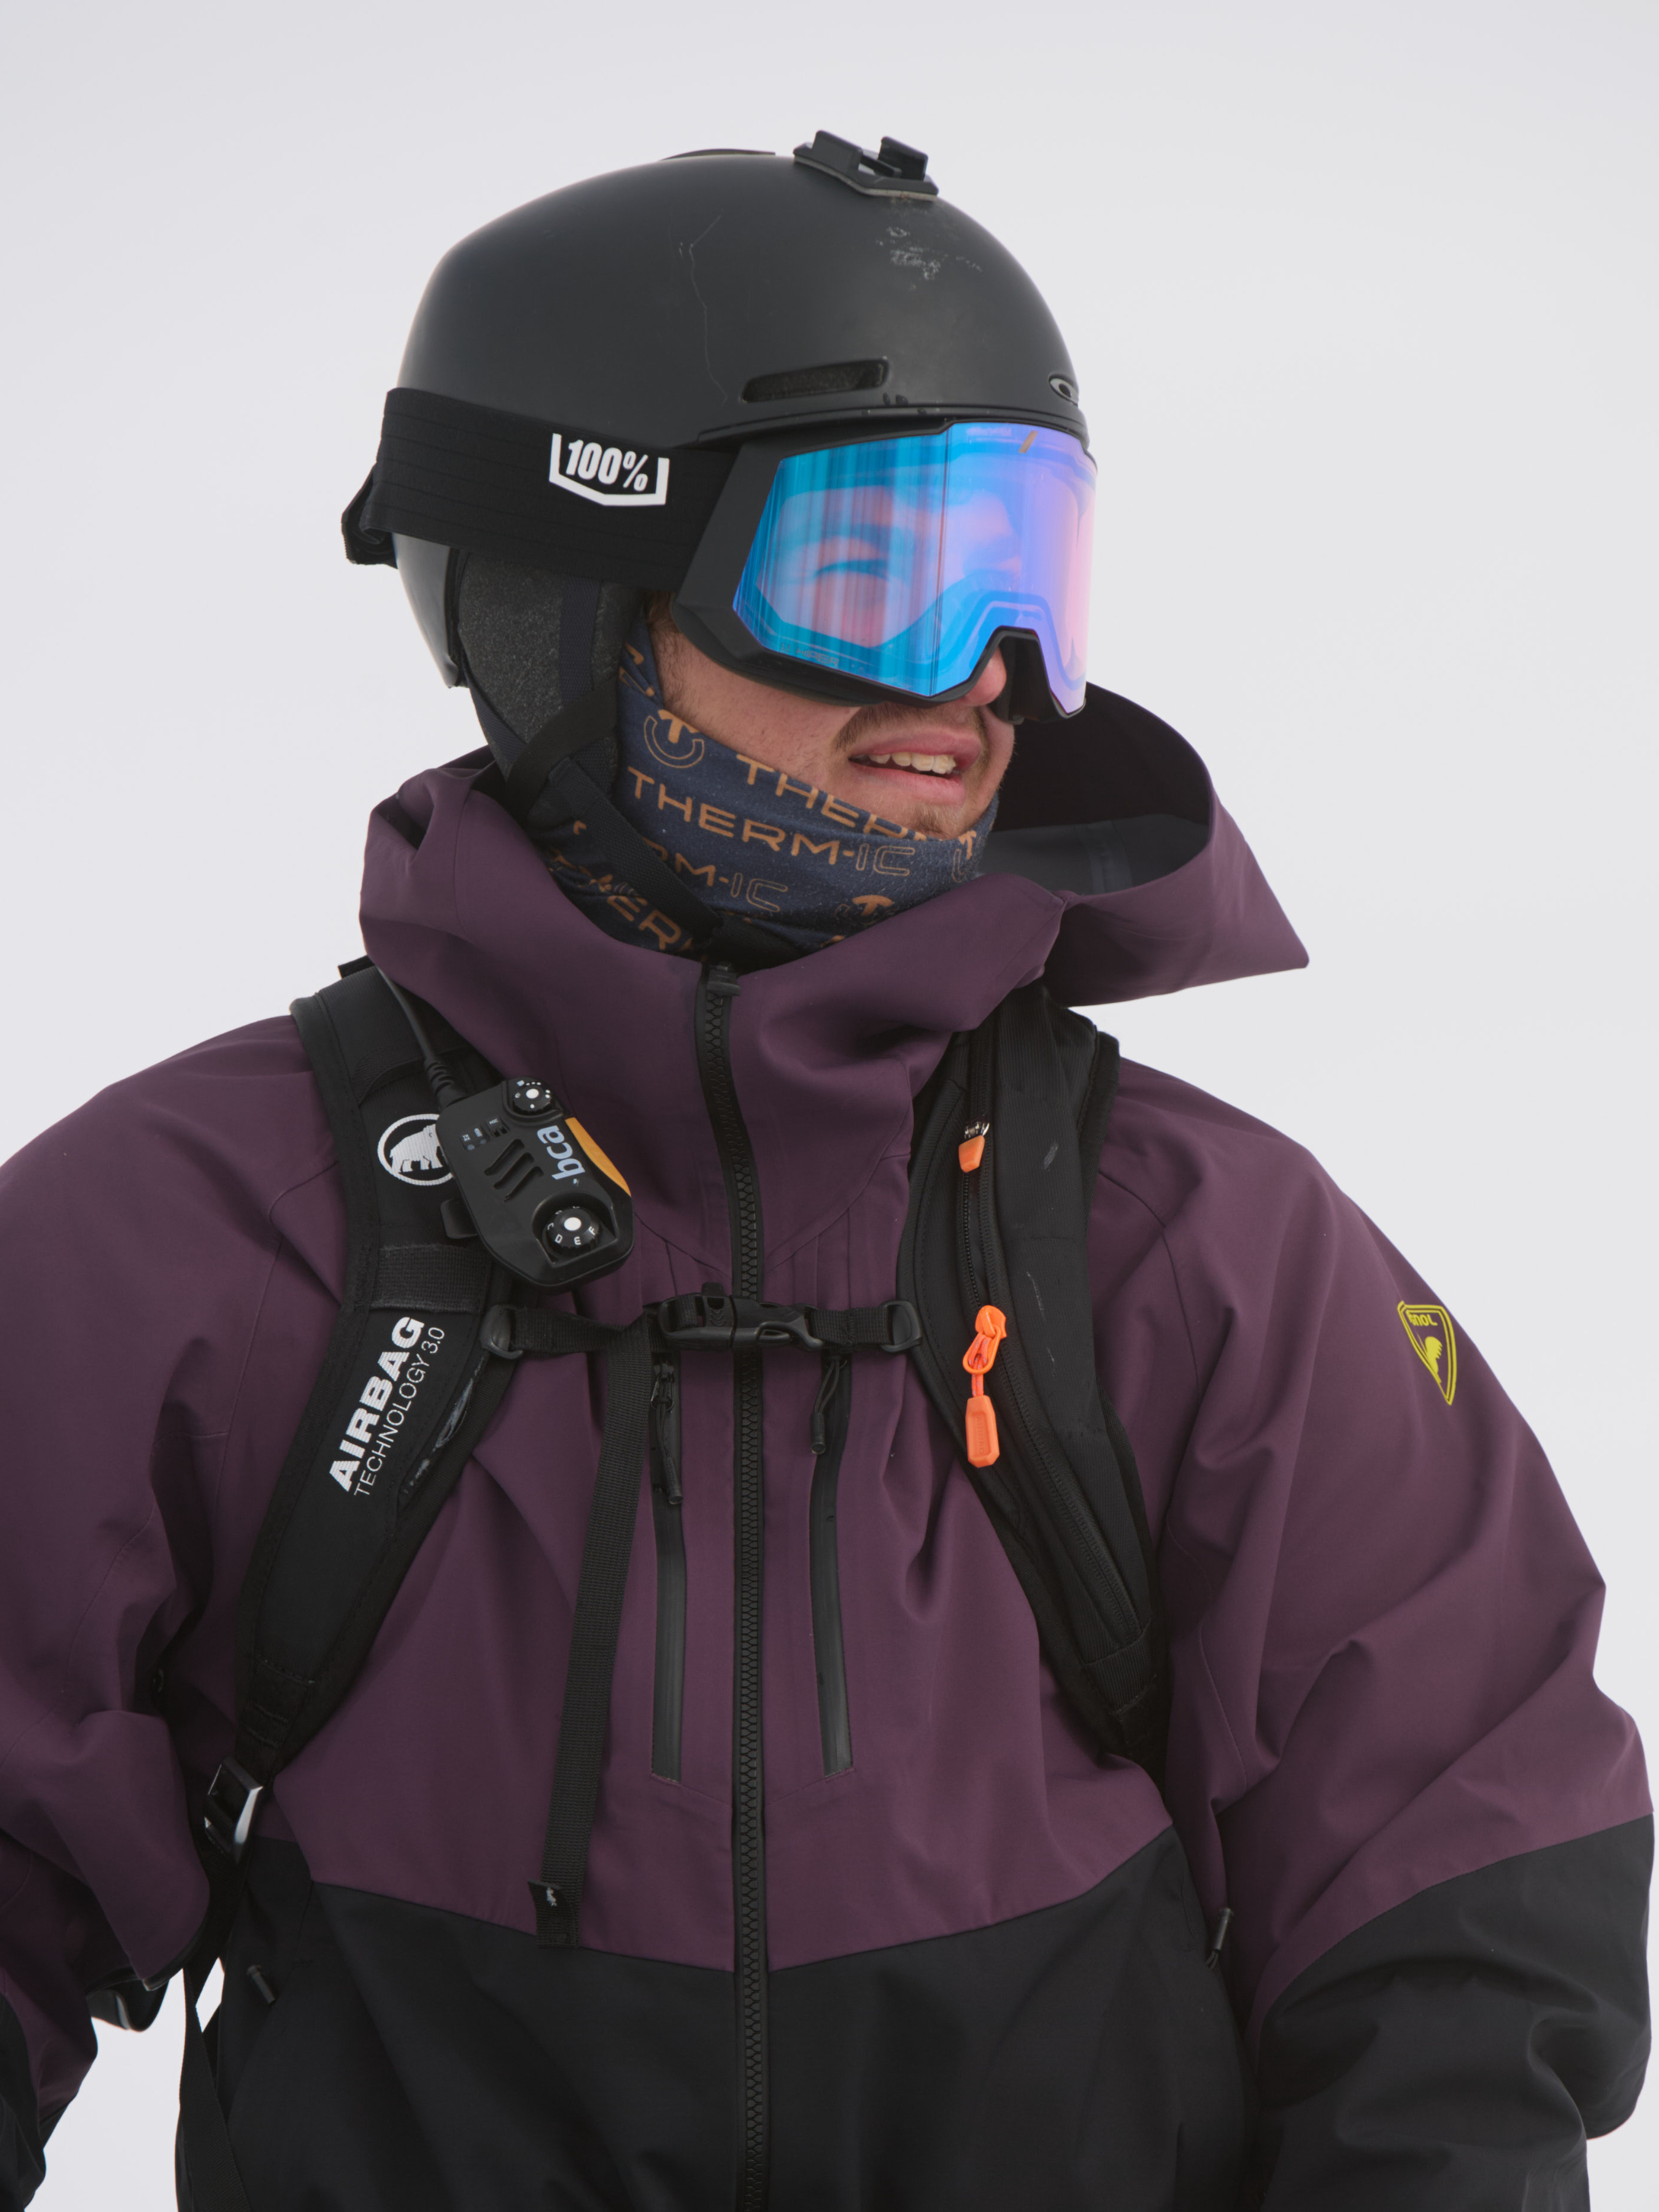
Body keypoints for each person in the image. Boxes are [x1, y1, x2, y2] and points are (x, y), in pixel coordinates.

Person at [0, 131, 1648, 2212]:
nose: (980, 674)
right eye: (874, 574)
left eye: (1024, 574)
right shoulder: (201, 1237)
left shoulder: (1197, 1253)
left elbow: (1453, 1910)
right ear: (570, 602)